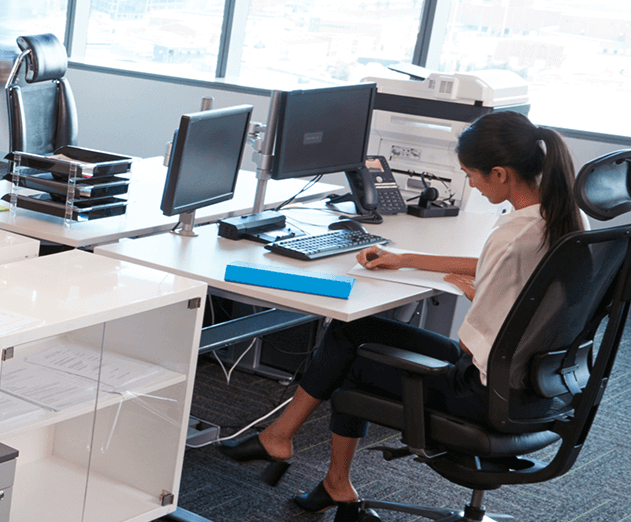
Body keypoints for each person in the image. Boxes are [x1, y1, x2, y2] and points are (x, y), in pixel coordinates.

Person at [217, 111, 581, 522]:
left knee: (354, 357)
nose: (473, 187)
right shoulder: (560, 218)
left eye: (472, 176)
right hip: (540, 387)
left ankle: (290, 447)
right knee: (354, 330)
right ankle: (295, 451)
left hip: (481, 392)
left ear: (499, 173)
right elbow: (497, 269)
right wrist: (406, 259)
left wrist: (481, 299)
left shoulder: (510, 236)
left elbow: (467, 342)